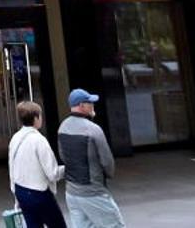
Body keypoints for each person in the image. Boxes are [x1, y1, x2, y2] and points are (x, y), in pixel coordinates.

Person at [57, 88, 124, 228]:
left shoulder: (62, 127)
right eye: (90, 103)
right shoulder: (93, 129)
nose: (93, 105)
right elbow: (107, 162)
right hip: (93, 192)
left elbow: (63, 156)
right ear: (82, 106)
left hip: (72, 193)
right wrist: (108, 175)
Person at [7, 99, 66, 228]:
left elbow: (12, 168)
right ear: (36, 118)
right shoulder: (39, 140)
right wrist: (69, 169)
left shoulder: (15, 138)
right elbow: (52, 173)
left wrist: (15, 193)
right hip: (39, 193)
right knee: (58, 225)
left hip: (21, 191)